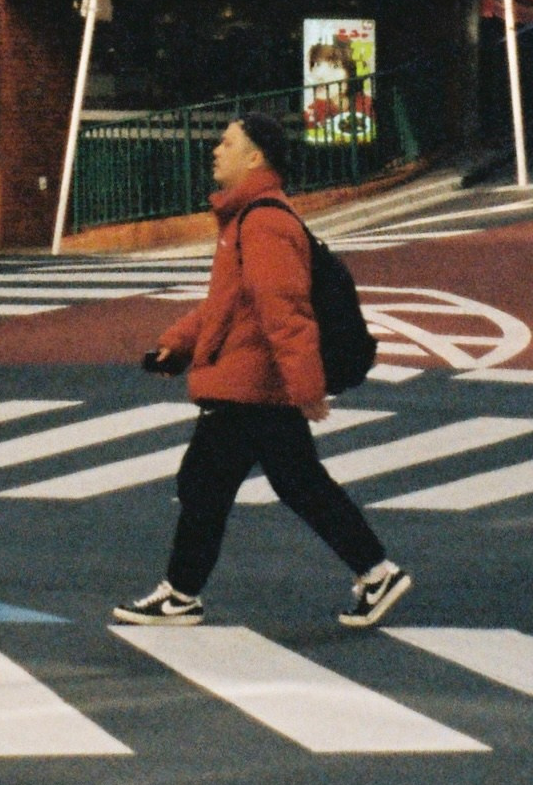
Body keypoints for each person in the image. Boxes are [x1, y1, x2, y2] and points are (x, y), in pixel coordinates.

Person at [113, 111, 412, 634]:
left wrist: (306, 389)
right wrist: (177, 346)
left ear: (254, 157)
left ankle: (182, 595)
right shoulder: (247, 219)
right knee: (294, 484)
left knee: (208, 485)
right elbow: (225, 306)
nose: (215, 150)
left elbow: (285, 310)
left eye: (226, 142)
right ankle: (375, 571)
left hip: (252, 385)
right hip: (250, 381)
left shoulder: (265, 222)